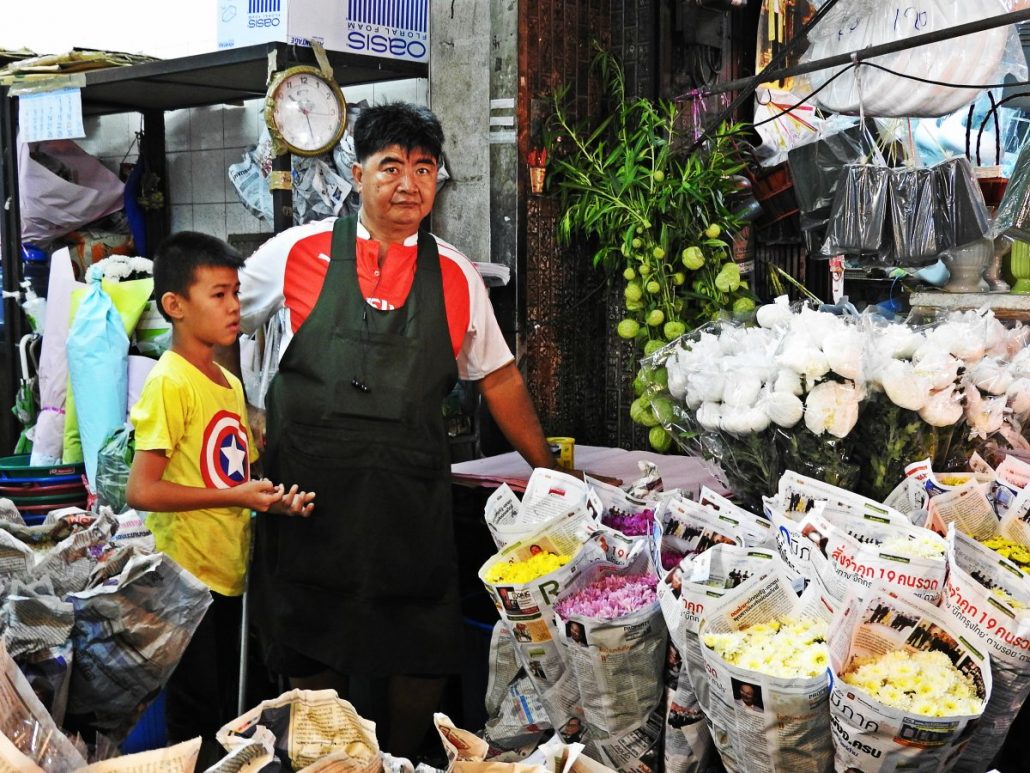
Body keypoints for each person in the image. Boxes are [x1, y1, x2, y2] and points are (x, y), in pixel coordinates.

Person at [236, 102, 559, 758]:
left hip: (407, 500)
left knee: (422, 645)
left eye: (424, 168)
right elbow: (215, 323)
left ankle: (402, 760)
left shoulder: (456, 273)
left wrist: (551, 467)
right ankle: (329, 761)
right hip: (308, 497)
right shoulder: (295, 252)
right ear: (358, 175)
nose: (408, 182)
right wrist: (234, 422)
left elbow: (498, 379)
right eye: (391, 166)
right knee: (307, 632)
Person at [126, 232, 315, 765]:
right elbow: (142, 489)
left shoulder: (226, 382)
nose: (235, 307)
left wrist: (270, 501)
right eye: (218, 294)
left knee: (237, 712)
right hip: (187, 584)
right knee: (195, 722)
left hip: (231, 576)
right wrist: (234, 493)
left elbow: (233, 477)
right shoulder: (170, 382)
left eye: (236, 293)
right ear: (175, 306)